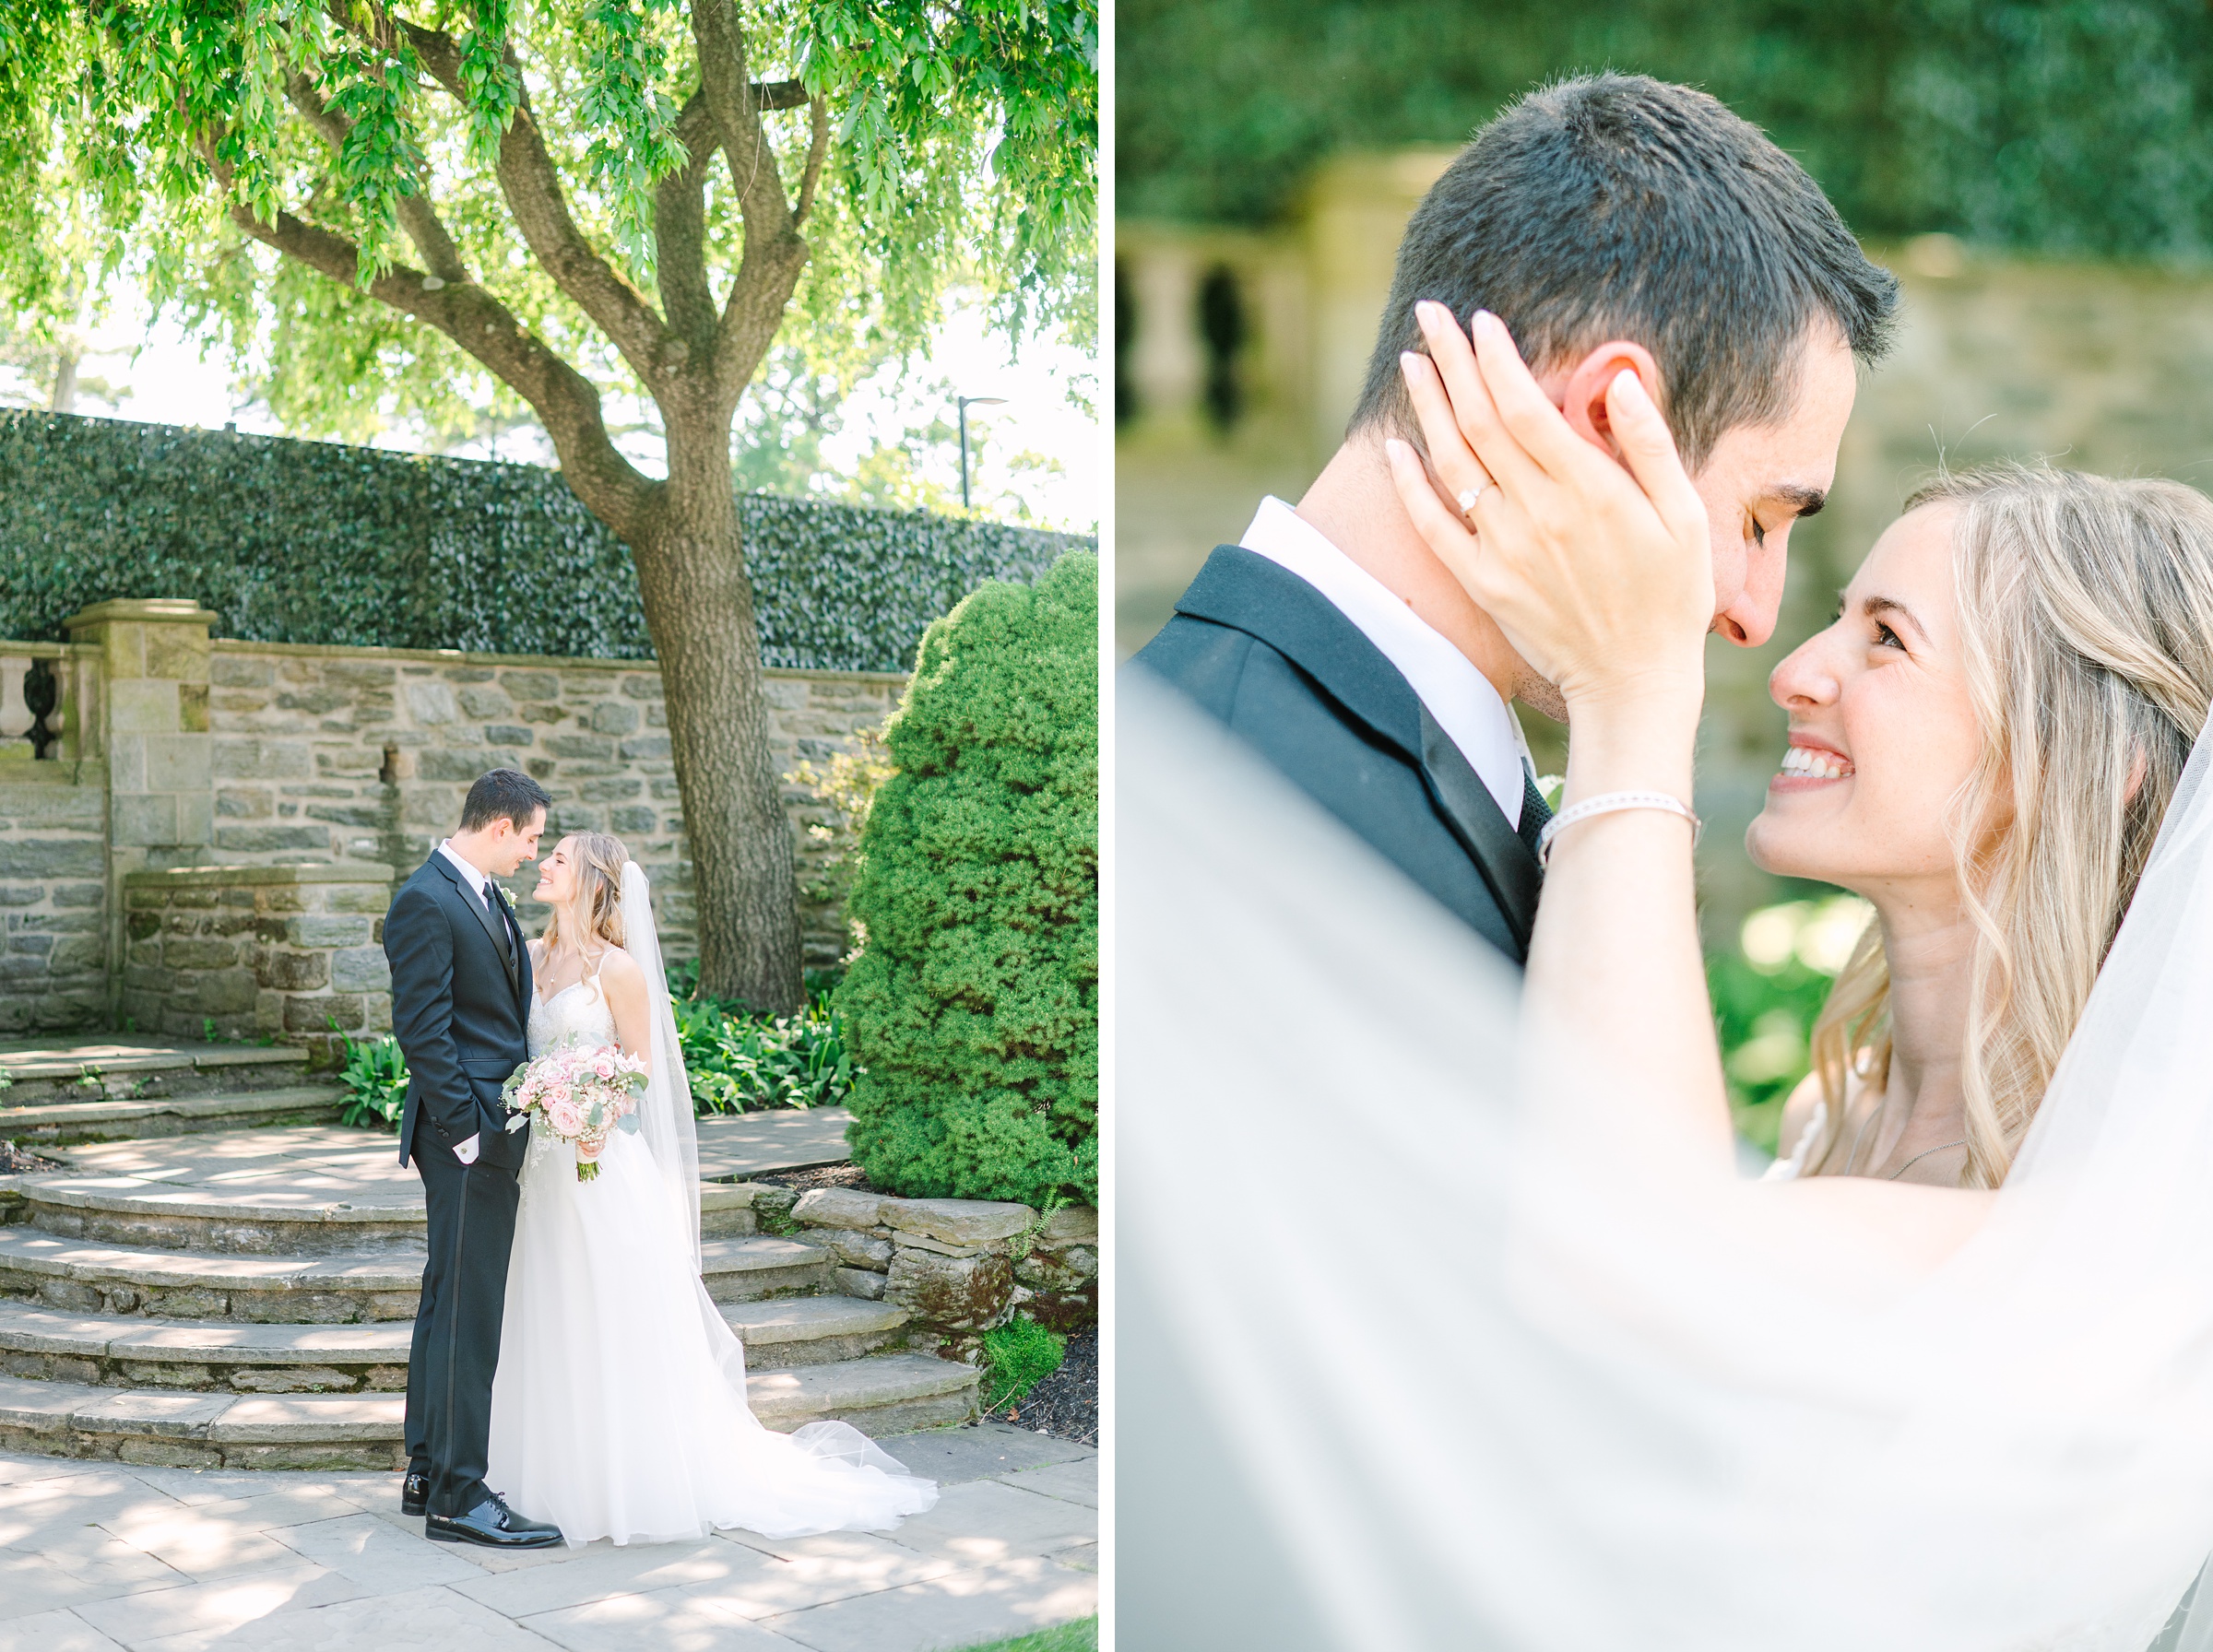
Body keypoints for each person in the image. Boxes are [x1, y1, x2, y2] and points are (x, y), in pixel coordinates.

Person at [1132, 72, 1896, 964]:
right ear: (1609, 424)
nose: (1756, 616)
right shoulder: (1218, 821)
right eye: (1761, 521)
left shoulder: (1340, 745)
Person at [488, 831, 938, 1545]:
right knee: (545, 1309)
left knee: (606, 1319)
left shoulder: (621, 970)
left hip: (599, 1172)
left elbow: (639, 1071)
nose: (545, 863)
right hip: (541, 1174)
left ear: (594, 881)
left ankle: (624, 1481)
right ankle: (540, 1471)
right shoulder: (534, 957)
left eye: (560, 858)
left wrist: (597, 1111)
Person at [384, 767, 564, 1550]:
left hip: (485, 1128)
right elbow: (422, 1032)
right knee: (469, 1310)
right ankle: (460, 1495)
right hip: (467, 1138)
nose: (532, 853)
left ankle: (427, 1465)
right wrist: (469, 1133)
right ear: (499, 828)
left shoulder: (481, 895)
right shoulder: (424, 901)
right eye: (530, 838)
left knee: (445, 1297)